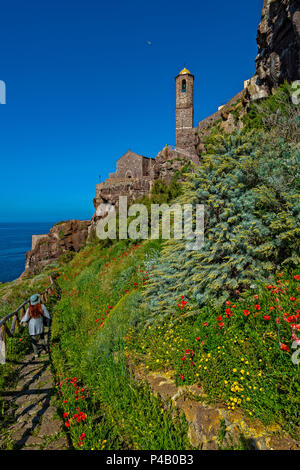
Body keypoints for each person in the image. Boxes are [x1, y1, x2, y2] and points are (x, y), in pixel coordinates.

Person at [21, 294, 52, 358]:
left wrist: (22, 321)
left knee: (33, 339)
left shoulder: (29, 308)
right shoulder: (42, 306)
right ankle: (44, 350)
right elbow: (47, 314)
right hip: (40, 323)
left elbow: (26, 317)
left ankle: (36, 353)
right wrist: (49, 319)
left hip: (32, 325)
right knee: (42, 337)